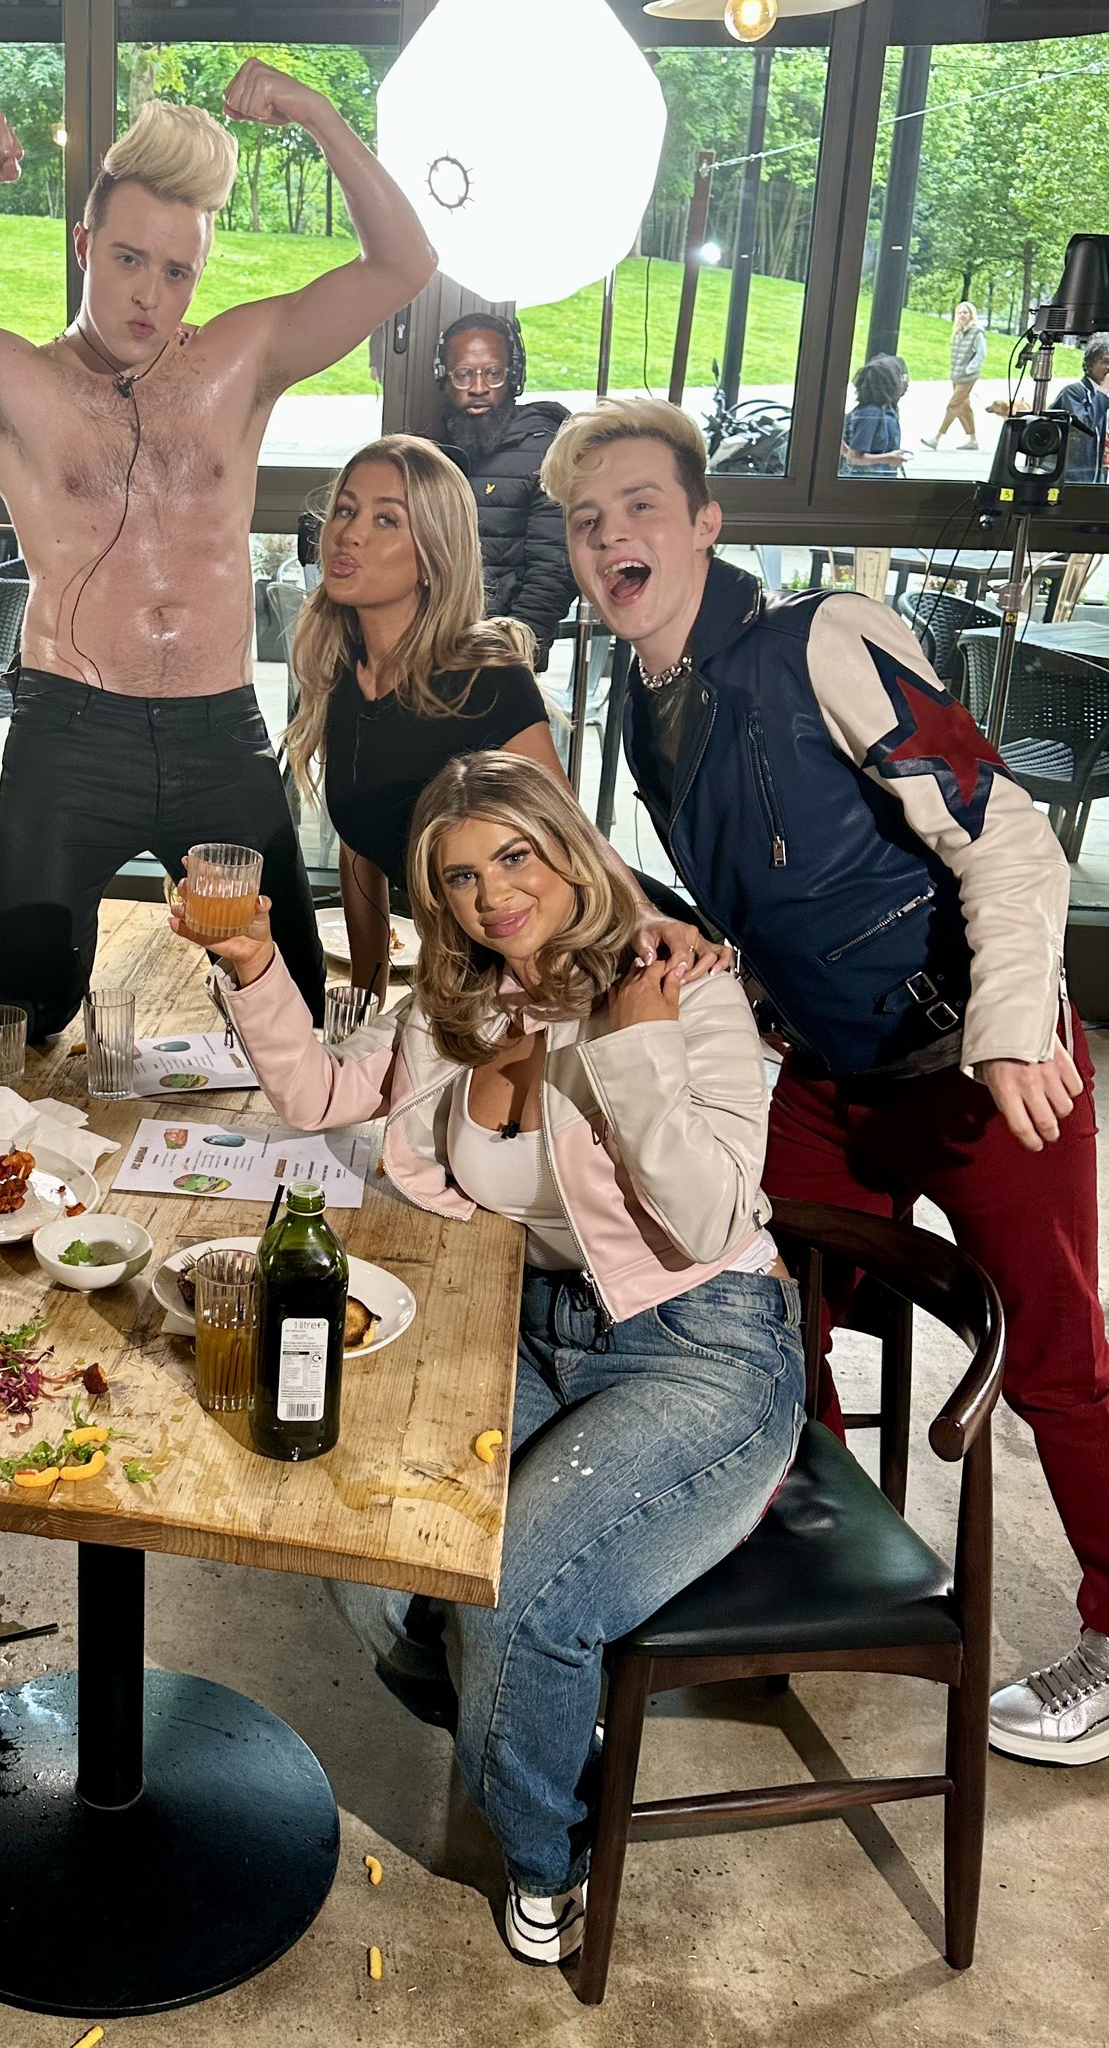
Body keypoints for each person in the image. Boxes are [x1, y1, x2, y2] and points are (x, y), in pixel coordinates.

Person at [541, 396, 1109, 1768]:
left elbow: (1006, 835)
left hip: (975, 1065)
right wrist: (700, 944)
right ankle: (784, 1563)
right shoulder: (646, 700)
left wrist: (1011, 1019)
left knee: (1055, 1356)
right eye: (585, 520)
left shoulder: (826, 639)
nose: (611, 536)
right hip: (829, 1068)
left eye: (639, 506)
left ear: (704, 522)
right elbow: (777, 879)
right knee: (750, 1302)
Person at [186, 750, 803, 1967]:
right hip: (531, 1322)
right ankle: (519, 1712)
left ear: (570, 849)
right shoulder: (455, 1008)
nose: (492, 895)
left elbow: (708, 1220)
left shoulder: (680, 987)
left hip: (705, 1341)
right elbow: (321, 1095)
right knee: (363, 1541)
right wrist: (252, 962)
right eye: (460, 876)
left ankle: (546, 1847)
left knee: (518, 1596)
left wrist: (634, 1047)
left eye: (515, 856)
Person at [0, 67, 436, 1040]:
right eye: (130, 259)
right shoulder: (8, 380)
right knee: (25, 1008)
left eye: (177, 272)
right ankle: (5, 856)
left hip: (218, 732)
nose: (149, 295)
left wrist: (316, 114)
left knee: (294, 1006)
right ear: (84, 245)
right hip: (72, 730)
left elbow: (403, 263)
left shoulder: (238, 362)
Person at [283, 433, 723, 1006]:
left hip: (593, 958)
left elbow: (569, 829)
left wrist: (640, 915)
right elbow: (359, 844)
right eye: (346, 510)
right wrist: (366, 1001)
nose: (350, 534)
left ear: (433, 554)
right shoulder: (342, 672)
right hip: (481, 976)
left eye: (386, 520)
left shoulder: (483, 674)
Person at [429, 311, 576, 662]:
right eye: (464, 374)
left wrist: (511, 653)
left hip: (504, 655)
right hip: (432, 647)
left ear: (514, 377)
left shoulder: (545, 453)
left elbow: (553, 571)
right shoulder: (434, 452)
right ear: (443, 378)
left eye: (493, 373)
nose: (479, 388)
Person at [922, 303, 986, 452]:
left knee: (953, 405)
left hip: (968, 376)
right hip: (957, 375)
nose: (962, 315)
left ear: (971, 314)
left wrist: (970, 368)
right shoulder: (958, 332)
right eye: (960, 312)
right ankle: (973, 440)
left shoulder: (976, 333)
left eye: (965, 312)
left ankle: (936, 438)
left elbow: (981, 353)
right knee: (964, 407)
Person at [839, 353, 909, 478]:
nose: (905, 381)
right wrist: (889, 458)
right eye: (901, 377)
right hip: (863, 482)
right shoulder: (871, 414)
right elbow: (854, 457)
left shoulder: (886, 409)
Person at [1053, 334, 1109, 485]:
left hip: (1098, 481)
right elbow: (1083, 426)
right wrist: (1104, 391)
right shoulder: (1072, 393)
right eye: (1105, 362)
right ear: (1089, 364)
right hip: (1072, 480)